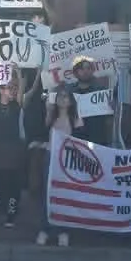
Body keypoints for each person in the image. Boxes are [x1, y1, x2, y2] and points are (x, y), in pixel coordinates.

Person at [0, 66, 33, 228]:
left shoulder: (17, 105)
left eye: (12, 88)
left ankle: (11, 214)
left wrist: (16, 72)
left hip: (13, 147)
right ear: (0, 90)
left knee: (13, 182)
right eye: (7, 88)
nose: (10, 90)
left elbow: (22, 90)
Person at [36, 88, 88, 247]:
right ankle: (45, 230)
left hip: (67, 160)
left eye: (66, 97)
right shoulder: (51, 118)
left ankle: (63, 231)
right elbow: (44, 134)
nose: (62, 99)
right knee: (47, 194)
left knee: (65, 195)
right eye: (60, 96)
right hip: (50, 157)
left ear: (71, 101)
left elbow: (81, 142)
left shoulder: (76, 120)